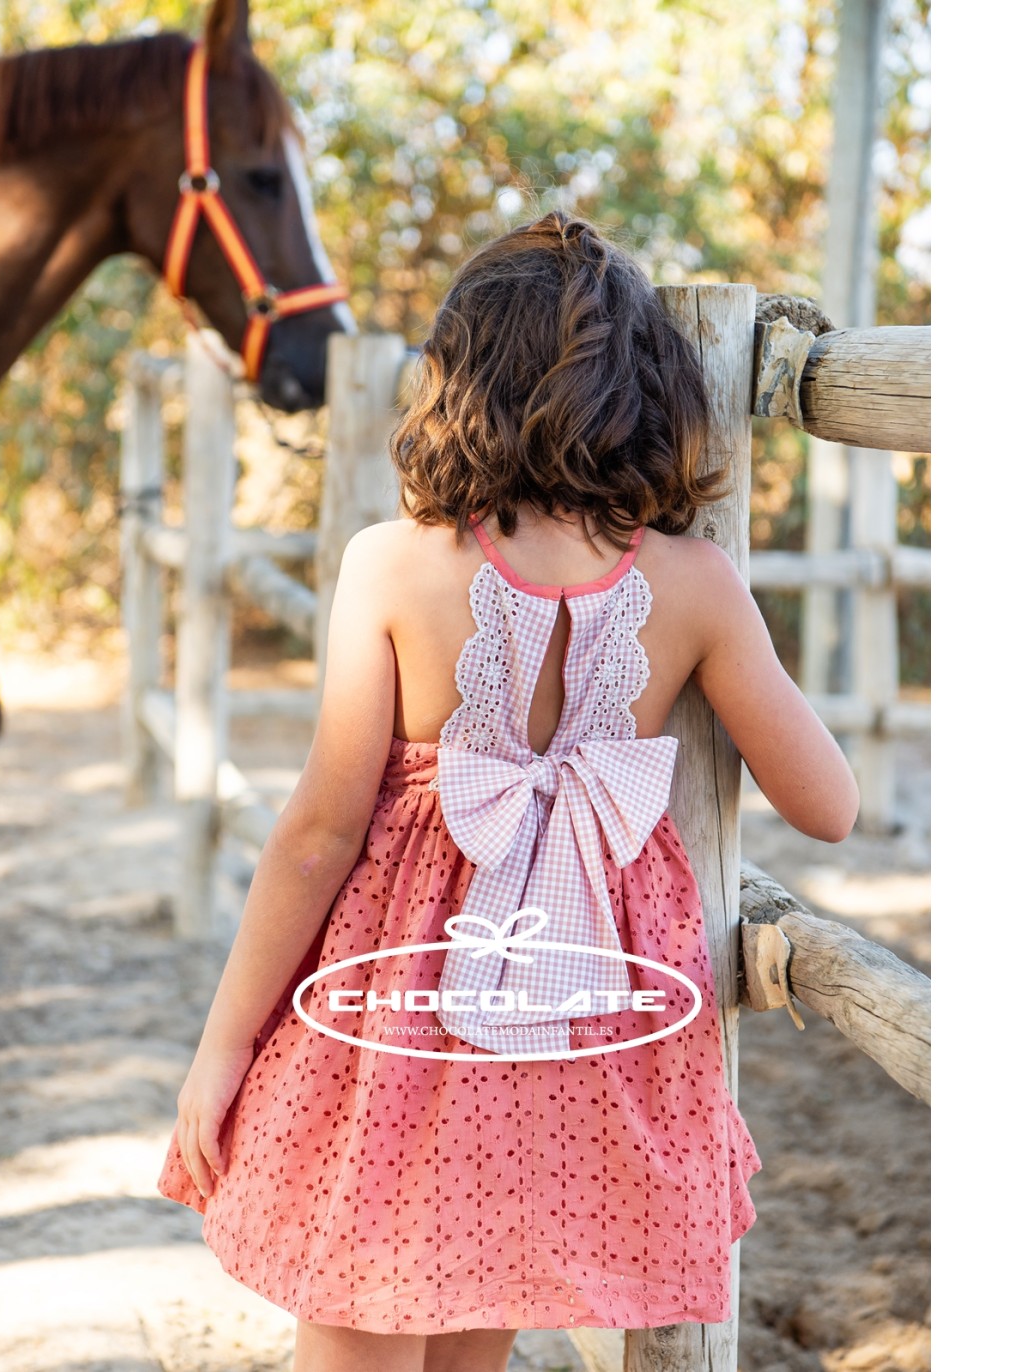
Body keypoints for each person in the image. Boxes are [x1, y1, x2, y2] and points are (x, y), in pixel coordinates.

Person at [156, 211, 859, 1372]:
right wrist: (719, 625)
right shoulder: (696, 586)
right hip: (580, 1030)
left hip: (398, 1019)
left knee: (362, 1312)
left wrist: (224, 1042)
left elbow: (320, 832)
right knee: (480, 1316)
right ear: (650, 396)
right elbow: (826, 802)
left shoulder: (391, 565)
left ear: (459, 386)